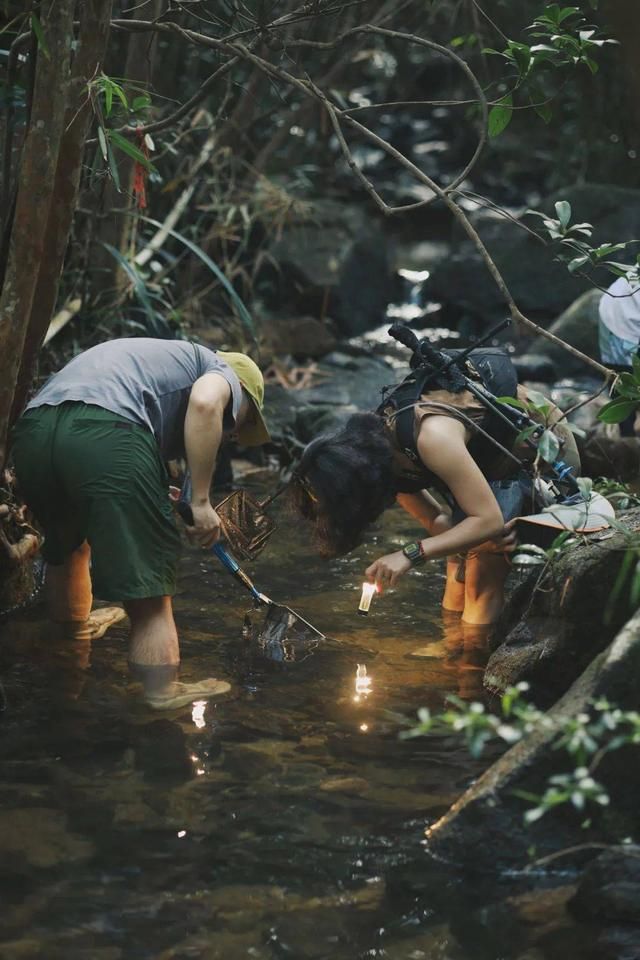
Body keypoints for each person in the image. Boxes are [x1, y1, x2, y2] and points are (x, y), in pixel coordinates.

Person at [10, 337, 270, 709]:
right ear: (242, 392)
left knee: (68, 549)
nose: (230, 437)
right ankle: (162, 690)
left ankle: (71, 650)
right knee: (151, 590)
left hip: (35, 434)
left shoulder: (158, 361)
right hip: (108, 433)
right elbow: (205, 403)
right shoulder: (223, 373)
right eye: (239, 426)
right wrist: (200, 500)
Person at [291, 344, 580, 626]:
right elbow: (438, 523)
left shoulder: (432, 437)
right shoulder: (380, 458)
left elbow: (488, 520)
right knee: (459, 554)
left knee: (482, 566)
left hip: (537, 449)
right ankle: (453, 643)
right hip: (481, 462)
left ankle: (469, 666)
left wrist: (409, 554)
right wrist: (458, 541)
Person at [598, 276, 640, 436]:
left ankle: (627, 439)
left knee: (620, 387)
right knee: (621, 386)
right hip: (621, 321)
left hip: (612, 315)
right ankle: (628, 440)